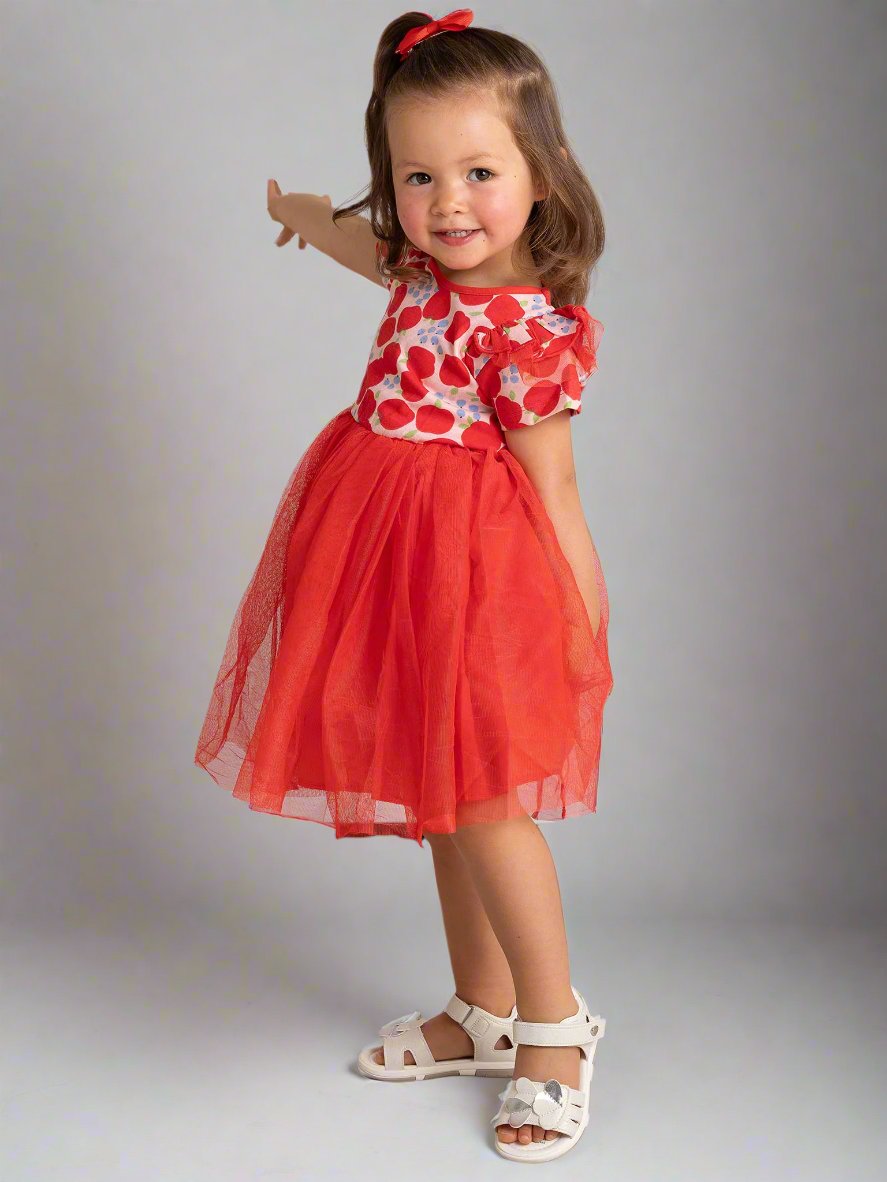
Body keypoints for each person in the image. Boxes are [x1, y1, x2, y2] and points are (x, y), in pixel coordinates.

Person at [194, 8, 614, 1163]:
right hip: (378, 559)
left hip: (476, 579)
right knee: (435, 801)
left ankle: (554, 1027)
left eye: (480, 172)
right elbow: (356, 243)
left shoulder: (527, 331)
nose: (448, 202)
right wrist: (296, 214)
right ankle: (479, 1010)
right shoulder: (418, 268)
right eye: (418, 175)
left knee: (483, 802)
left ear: (542, 173)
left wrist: (584, 613)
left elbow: (556, 493)